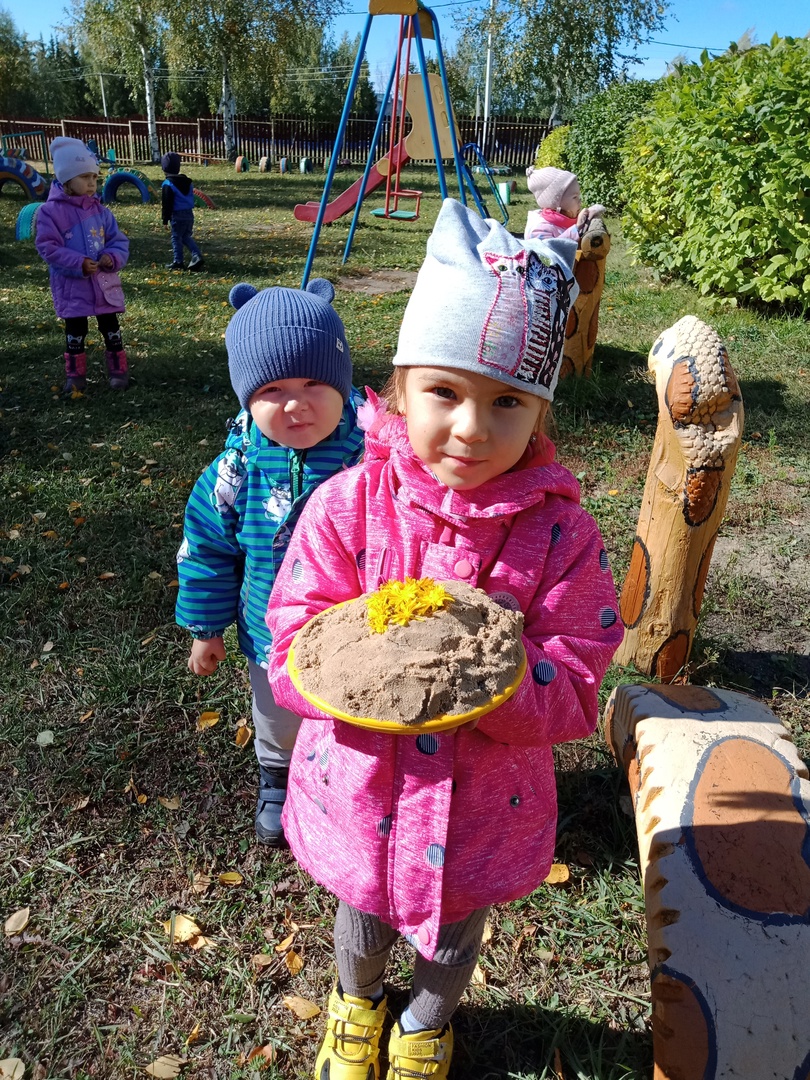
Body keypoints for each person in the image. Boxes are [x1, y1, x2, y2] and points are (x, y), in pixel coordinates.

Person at [266, 198, 624, 1080]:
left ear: (539, 415)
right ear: (399, 387)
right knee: (360, 911)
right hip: (362, 788)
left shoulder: (560, 538)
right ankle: (356, 1006)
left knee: (456, 929)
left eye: (507, 402)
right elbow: (290, 638)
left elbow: (578, 679)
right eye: (445, 392)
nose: (471, 427)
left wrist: (500, 680)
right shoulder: (346, 507)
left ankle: (426, 1022)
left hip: (480, 808)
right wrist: (348, 669)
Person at [175, 279, 365, 847]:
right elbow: (207, 551)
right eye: (272, 388)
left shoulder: (372, 457)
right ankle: (277, 777)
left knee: (350, 714)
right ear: (245, 397)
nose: (296, 403)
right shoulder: (235, 472)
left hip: (354, 628)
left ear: (343, 385)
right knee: (278, 717)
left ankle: (348, 785)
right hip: (269, 633)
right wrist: (207, 630)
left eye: (314, 383)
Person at [35, 137, 130, 393]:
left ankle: (118, 370)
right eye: (84, 177)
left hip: (103, 284)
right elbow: (48, 247)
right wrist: (78, 263)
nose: (91, 183)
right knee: (75, 331)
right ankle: (75, 375)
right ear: (66, 181)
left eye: (95, 177)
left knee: (110, 327)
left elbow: (118, 241)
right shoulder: (50, 213)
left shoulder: (101, 212)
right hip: (73, 286)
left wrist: (112, 256)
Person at [524, 165, 605, 243]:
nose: (580, 201)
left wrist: (590, 215)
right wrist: (577, 228)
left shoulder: (566, 219)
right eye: (574, 197)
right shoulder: (539, 230)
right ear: (556, 204)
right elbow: (552, 252)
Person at [161, 151, 204, 271]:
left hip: (177, 215)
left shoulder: (168, 184)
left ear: (164, 167)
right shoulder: (188, 182)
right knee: (185, 236)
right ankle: (196, 254)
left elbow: (167, 203)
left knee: (176, 237)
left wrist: (165, 218)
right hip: (189, 214)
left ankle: (178, 261)